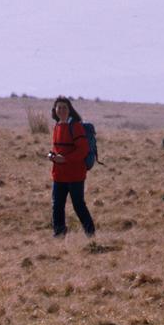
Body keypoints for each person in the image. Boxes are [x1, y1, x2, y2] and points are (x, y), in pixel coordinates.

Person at [46, 96, 96, 238]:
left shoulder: (75, 126)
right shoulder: (57, 126)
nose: (61, 110)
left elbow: (83, 150)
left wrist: (65, 159)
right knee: (57, 206)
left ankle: (90, 234)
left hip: (75, 175)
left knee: (78, 205)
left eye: (64, 107)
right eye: (59, 107)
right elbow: (57, 148)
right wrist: (53, 156)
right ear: (55, 110)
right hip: (59, 175)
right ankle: (59, 234)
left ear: (69, 110)